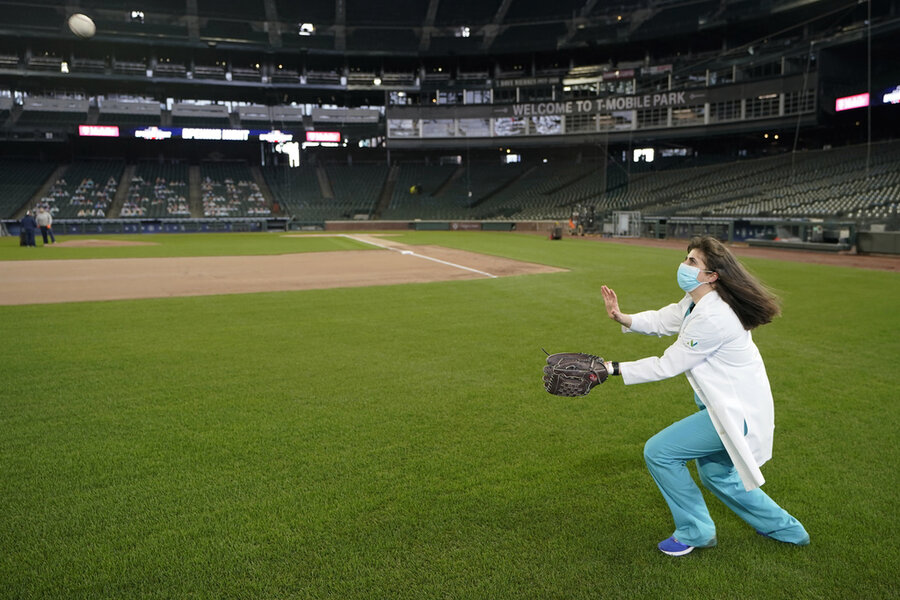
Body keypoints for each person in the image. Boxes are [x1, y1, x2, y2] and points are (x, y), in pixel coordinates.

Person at [600, 235, 809, 556]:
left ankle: (695, 531)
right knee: (718, 476)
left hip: (734, 414)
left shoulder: (714, 316)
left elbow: (668, 364)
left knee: (660, 452)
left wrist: (610, 368)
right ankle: (787, 530)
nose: (683, 265)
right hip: (725, 407)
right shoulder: (697, 302)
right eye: (686, 258)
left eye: (692, 262)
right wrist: (623, 317)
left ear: (712, 276)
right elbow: (665, 318)